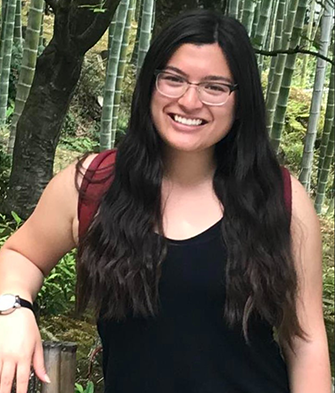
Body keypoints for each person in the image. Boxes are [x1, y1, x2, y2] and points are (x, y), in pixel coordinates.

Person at [0, 9, 331, 393]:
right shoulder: (93, 184)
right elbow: (21, 257)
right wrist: (13, 310)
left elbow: (303, 340)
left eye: (214, 86)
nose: (190, 100)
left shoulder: (280, 198)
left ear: (241, 100)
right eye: (173, 79)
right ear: (150, 85)